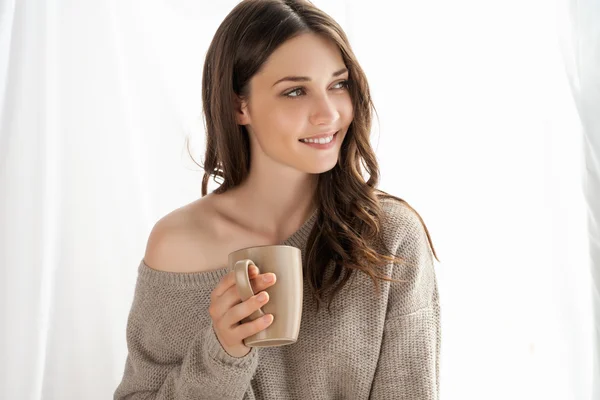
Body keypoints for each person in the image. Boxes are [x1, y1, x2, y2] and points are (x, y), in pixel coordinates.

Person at [114, 0, 441, 398]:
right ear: (239, 105)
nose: (328, 113)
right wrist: (222, 354)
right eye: (296, 91)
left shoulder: (389, 237)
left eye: (338, 84)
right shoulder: (178, 244)